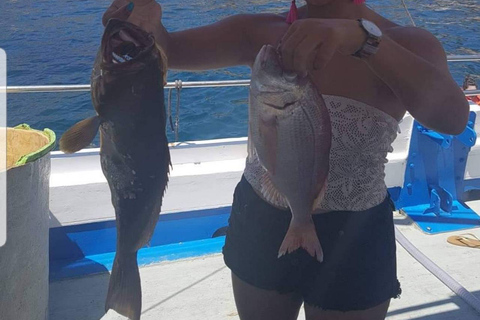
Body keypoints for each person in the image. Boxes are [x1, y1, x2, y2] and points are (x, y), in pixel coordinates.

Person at [102, 1, 470, 319]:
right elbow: (169, 50)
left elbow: (452, 118)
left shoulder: (405, 43)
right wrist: (139, 18)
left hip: (355, 230)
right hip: (262, 217)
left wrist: (364, 41)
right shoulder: (259, 31)